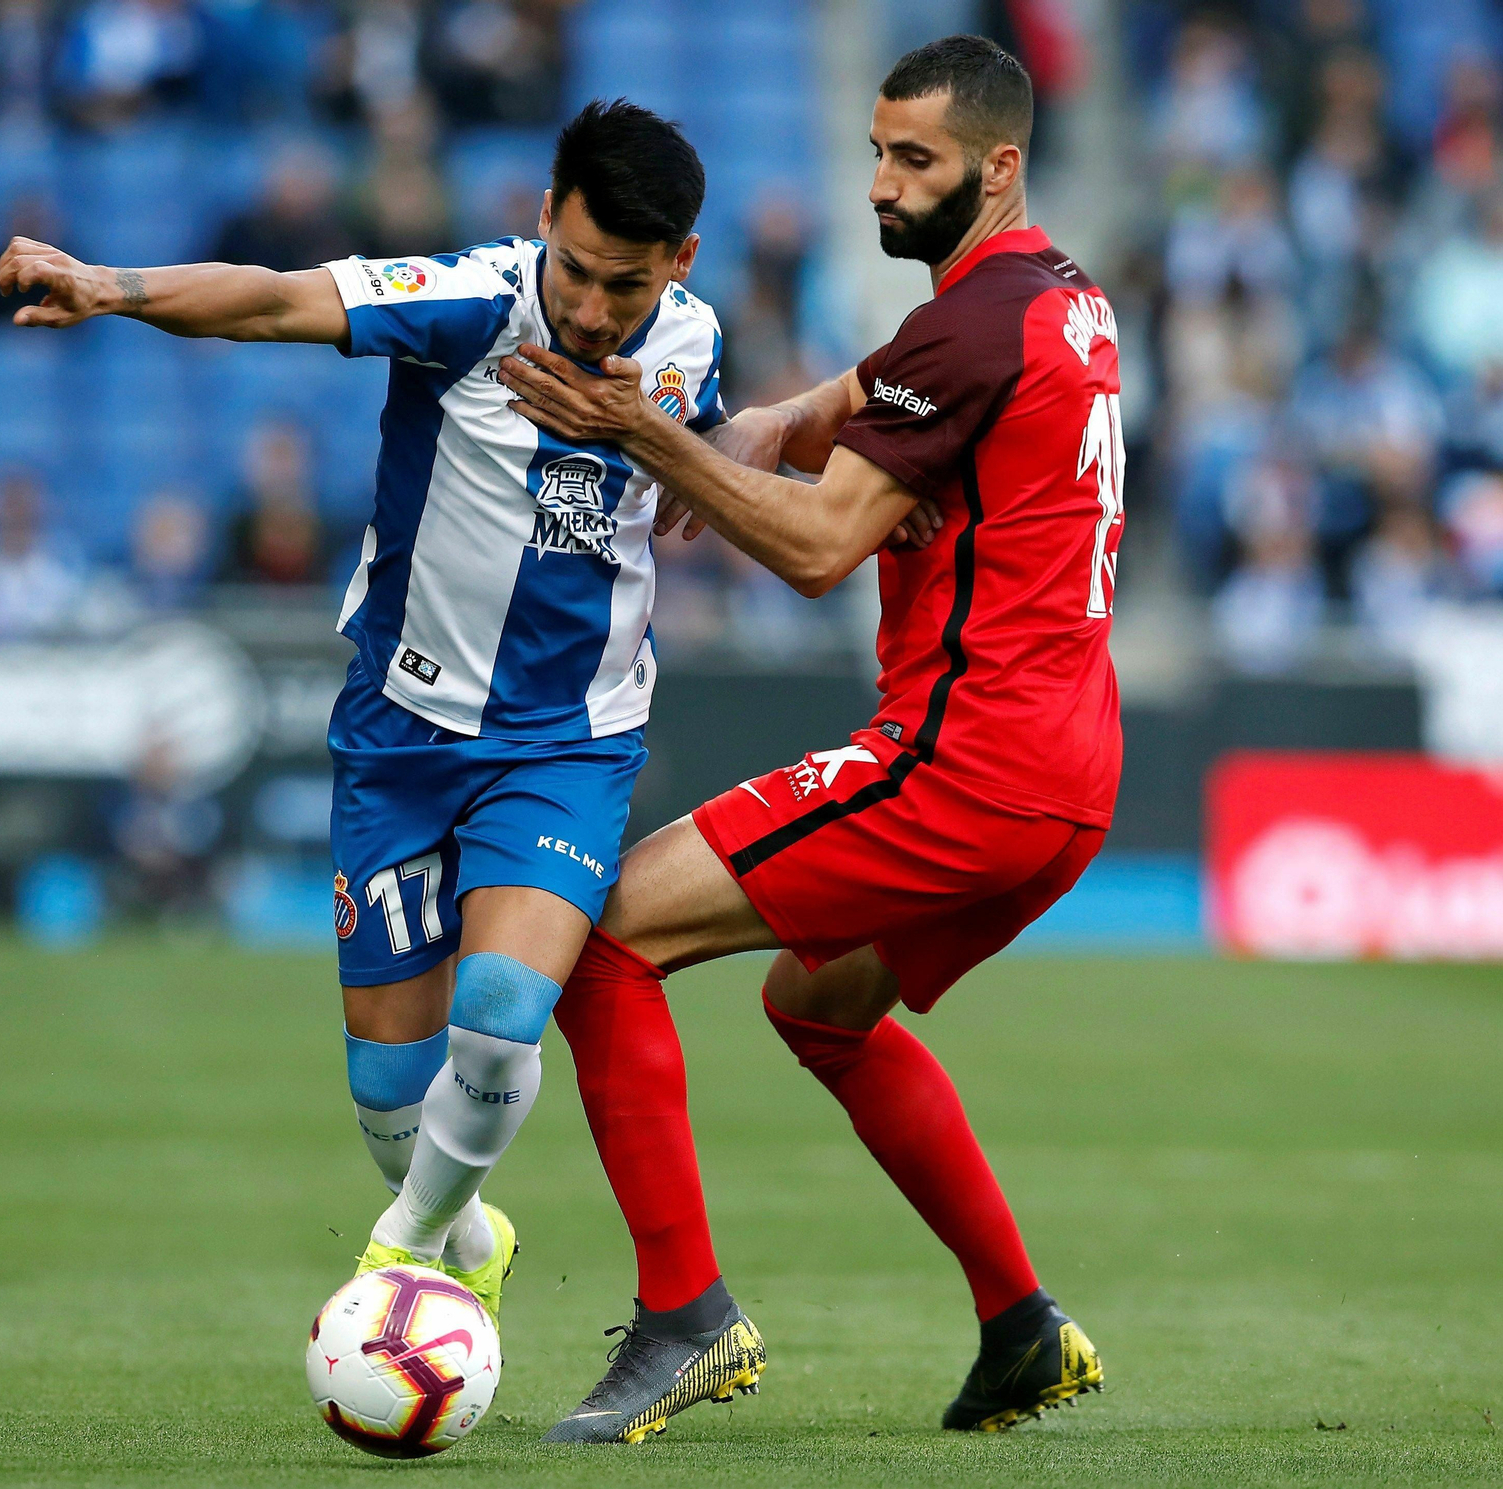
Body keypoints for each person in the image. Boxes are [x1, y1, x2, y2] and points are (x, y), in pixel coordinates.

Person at [0, 101, 760, 1396]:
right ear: (542, 225)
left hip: (566, 741)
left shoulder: (690, 342)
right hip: (401, 733)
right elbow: (275, 299)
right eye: (570, 268)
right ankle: (466, 1230)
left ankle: (399, 1261)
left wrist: (691, 460)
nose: (586, 305)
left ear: (676, 263)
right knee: (390, 1097)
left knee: (506, 1011)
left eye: (620, 283)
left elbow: (708, 435)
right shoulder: (467, 302)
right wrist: (113, 287)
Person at [501, 35, 1121, 1442]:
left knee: (602, 933)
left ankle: (685, 1318)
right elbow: (900, 382)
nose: (884, 187)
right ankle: (1021, 1323)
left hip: (964, 761)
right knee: (816, 1003)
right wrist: (784, 416)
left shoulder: (967, 330)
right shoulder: (1062, 300)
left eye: (917, 162)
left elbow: (820, 552)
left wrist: (647, 435)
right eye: (876, 155)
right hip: (1072, 770)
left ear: (1000, 167)